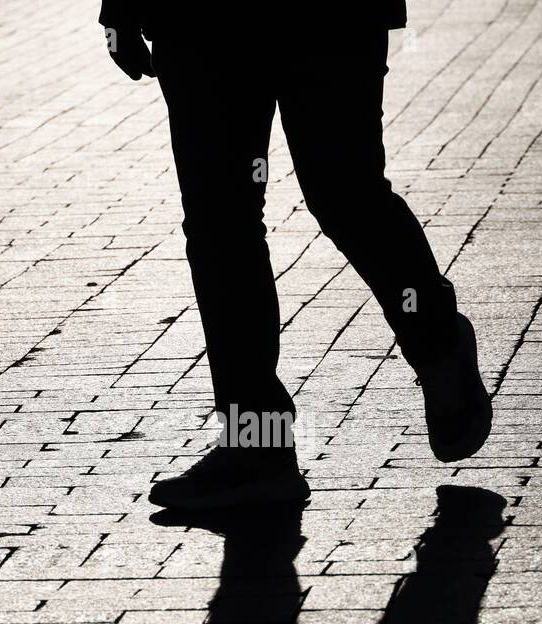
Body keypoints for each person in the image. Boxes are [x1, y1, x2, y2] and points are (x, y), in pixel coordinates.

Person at [99, 0, 492, 510]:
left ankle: (435, 341)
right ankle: (257, 445)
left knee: (331, 197)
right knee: (237, 216)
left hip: (296, 13)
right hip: (218, 19)